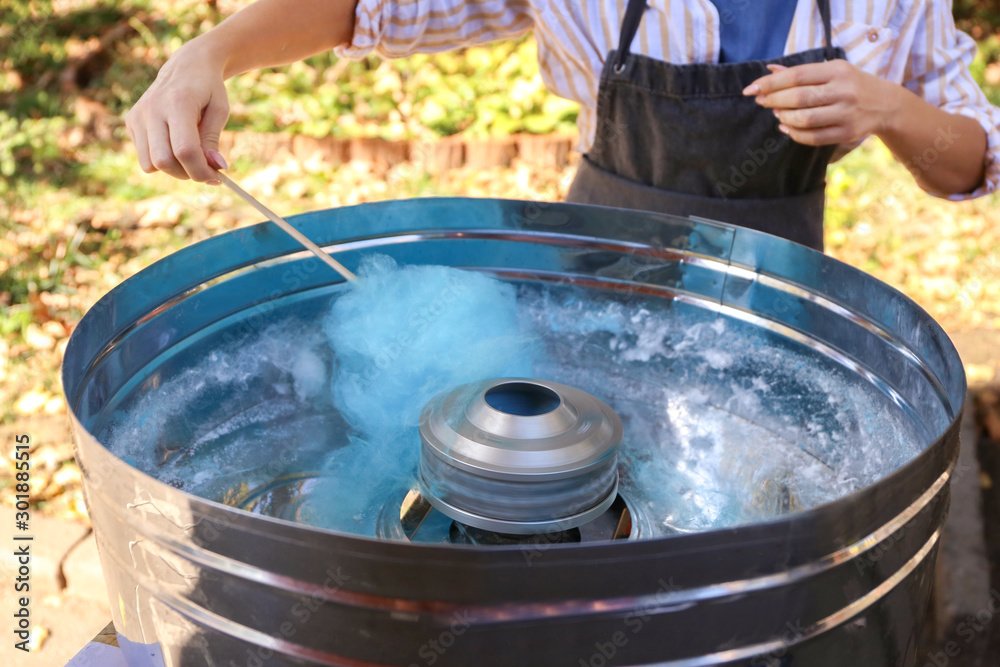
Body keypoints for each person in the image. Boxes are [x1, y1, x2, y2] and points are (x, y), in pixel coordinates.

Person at [126, 0, 1000, 250]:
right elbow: (363, 9)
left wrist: (891, 109)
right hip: (592, 285)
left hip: (771, 305)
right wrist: (212, 52)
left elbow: (969, 162)